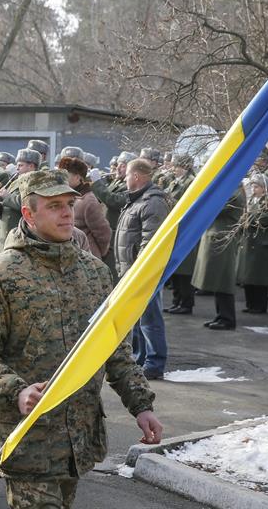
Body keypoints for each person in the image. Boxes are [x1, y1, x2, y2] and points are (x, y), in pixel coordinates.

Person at [0, 169, 161, 509]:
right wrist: (16, 389)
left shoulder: (94, 272)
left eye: (69, 203)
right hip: (28, 436)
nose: (67, 212)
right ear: (28, 214)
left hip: (77, 434)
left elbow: (114, 348)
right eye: (54, 206)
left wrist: (141, 405)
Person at [115, 159, 170, 380]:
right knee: (136, 319)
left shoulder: (152, 202)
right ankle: (140, 358)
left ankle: (155, 363)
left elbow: (150, 241)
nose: (124, 178)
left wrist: (139, 270)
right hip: (130, 271)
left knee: (150, 319)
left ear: (137, 176)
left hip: (143, 273)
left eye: (127, 174)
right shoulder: (137, 200)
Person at [191, 186, 245, 330]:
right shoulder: (230, 190)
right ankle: (221, 315)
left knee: (223, 281)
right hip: (218, 239)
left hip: (222, 240)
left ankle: (227, 318)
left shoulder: (233, 192)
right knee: (218, 280)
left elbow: (214, 208)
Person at [236, 174, 268, 314]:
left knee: (260, 278)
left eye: (257, 186)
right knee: (248, 277)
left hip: (262, 244)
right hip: (249, 242)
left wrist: (249, 218)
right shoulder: (251, 200)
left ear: (265, 188)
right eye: (253, 186)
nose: (253, 188)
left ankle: (260, 306)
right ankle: (250, 304)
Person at [88, 151, 136, 283]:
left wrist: (98, 182)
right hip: (108, 231)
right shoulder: (116, 182)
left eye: (123, 165)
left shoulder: (130, 185)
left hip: (117, 233)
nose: (118, 168)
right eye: (118, 165)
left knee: (113, 273)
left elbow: (113, 200)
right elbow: (102, 198)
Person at [58, 147, 111, 259]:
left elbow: (103, 233)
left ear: (78, 178)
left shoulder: (88, 200)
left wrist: (97, 254)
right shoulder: (68, 197)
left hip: (86, 258)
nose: (61, 178)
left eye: (65, 175)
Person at [164, 154, 198, 314]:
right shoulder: (174, 181)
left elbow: (190, 204)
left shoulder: (191, 181)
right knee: (176, 269)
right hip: (174, 229)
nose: (173, 169)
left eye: (176, 166)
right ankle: (177, 301)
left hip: (185, 229)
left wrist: (170, 201)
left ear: (183, 167)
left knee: (184, 269)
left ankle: (186, 303)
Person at [0, 149, 41, 253]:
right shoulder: (16, 182)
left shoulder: (37, 183)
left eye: (20, 165)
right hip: (6, 232)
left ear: (31, 166)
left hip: (21, 235)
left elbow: (28, 204)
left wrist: (7, 196)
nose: (17, 168)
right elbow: (8, 206)